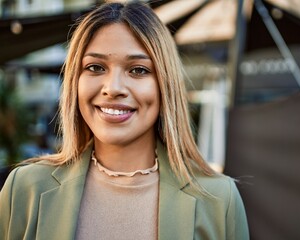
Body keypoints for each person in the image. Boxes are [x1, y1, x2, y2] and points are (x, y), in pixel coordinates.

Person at [0, 2, 249, 240]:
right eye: (96, 67)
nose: (113, 88)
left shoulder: (219, 199)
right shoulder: (24, 189)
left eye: (138, 70)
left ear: (165, 86)